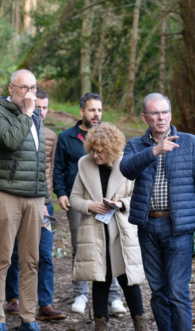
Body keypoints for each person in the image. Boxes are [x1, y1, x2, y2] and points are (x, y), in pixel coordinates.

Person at [120, 93, 195, 330]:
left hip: (179, 228)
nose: (161, 117)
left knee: (177, 292)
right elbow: (126, 170)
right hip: (148, 227)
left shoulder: (190, 142)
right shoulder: (135, 145)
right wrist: (154, 151)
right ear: (145, 117)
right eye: (155, 113)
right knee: (158, 291)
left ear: (170, 115)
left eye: (164, 112)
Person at [0, 69, 48, 331]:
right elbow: (9, 142)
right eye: (24, 88)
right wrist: (25, 114)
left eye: (33, 88)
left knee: (31, 260)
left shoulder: (36, 117)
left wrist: (43, 196)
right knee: (2, 258)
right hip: (7, 193)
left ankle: (28, 318)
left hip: (33, 197)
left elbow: (38, 161)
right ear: (11, 89)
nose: (30, 94)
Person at [70, 123, 147, 331]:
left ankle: (140, 323)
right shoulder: (84, 165)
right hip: (95, 232)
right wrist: (90, 205)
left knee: (127, 279)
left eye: (101, 152)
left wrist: (122, 204)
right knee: (100, 279)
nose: (95, 155)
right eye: (93, 150)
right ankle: (100, 325)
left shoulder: (127, 164)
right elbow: (74, 199)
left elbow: (139, 196)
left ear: (112, 151)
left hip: (121, 231)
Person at [53, 93, 125, 314]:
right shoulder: (66, 137)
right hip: (80, 202)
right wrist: (61, 193)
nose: (96, 114)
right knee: (81, 246)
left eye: (99, 110)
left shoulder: (108, 137)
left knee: (111, 246)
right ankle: (81, 295)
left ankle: (114, 297)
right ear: (82, 111)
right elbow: (58, 168)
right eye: (92, 110)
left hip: (108, 202)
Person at [4, 89, 66, 320]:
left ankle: (45, 304)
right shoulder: (17, 130)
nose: (41, 111)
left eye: (45, 107)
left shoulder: (51, 136)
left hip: (45, 205)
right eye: (37, 106)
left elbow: (49, 170)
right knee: (17, 252)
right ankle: (14, 298)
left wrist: (49, 198)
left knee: (45, 254)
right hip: (22, 202)